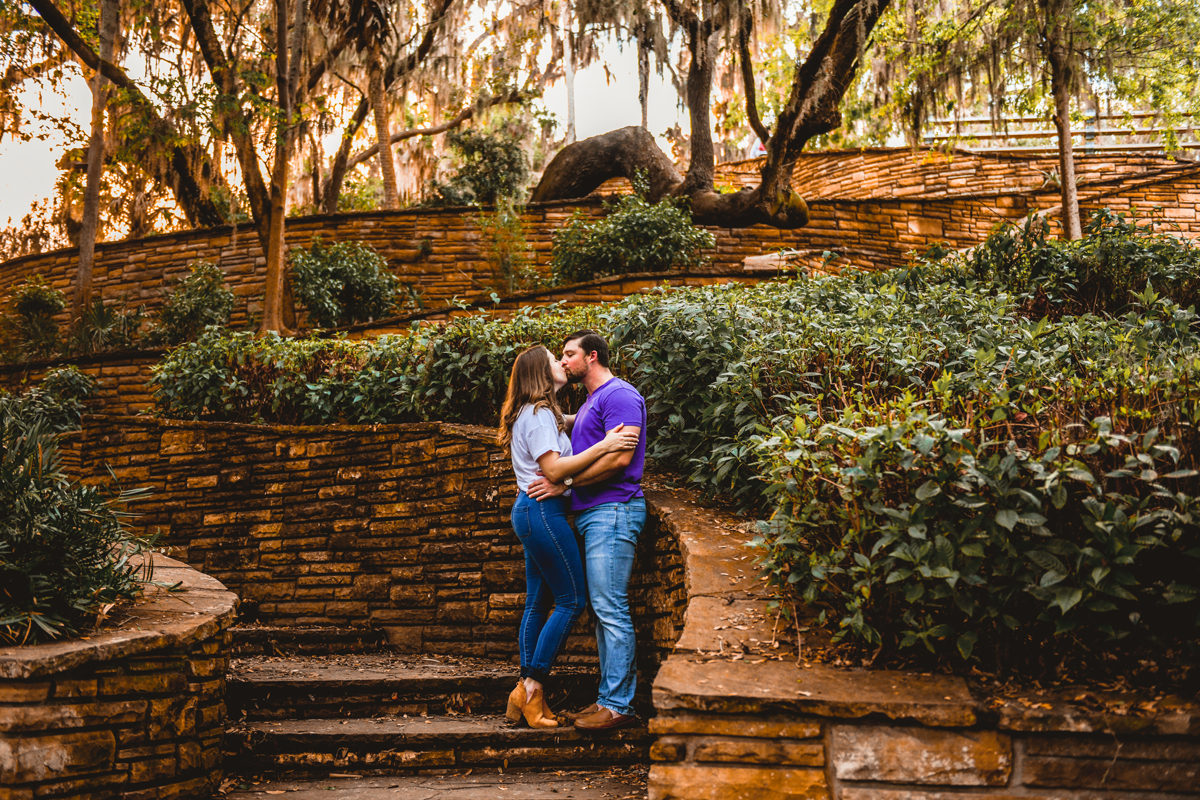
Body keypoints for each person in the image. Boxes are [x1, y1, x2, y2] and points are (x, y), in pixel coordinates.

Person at [498, 344, 639, 729]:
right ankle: (532, 686)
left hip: (531, 511)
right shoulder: (540, 414)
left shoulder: (540, 413)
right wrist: (606, 444)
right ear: (540, 375)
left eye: (565, 356)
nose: (561, 363)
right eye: (553, 361)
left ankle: (523, 693)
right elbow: (556, 469)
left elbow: (573, 421)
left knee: (537, 601)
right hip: (543, 510)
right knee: (572, 599)